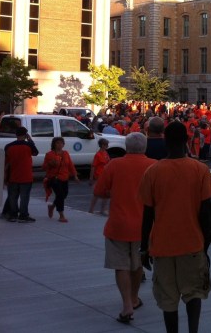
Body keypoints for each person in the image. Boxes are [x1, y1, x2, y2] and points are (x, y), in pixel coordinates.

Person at [139, 121, 211, 333]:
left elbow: (148, 214)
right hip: (192, 246)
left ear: (165, 140)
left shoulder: (152, 172)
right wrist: (205, 247)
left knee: (168, 299)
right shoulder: (200, 170)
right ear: (187, 141)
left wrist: (144, 247)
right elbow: (205, 214)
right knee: (194, 294)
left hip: (162, 247)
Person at [93, 133, 157, 324]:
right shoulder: (154, 166)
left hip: (118, 225)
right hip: (144, 226)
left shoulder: (114, 165)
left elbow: (99, 191)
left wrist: (114, 193)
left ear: (126, 147)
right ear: (144, 147)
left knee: (120, 265)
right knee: (137, 264)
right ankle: (135, 298)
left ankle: (127, 304)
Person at [4, 127, 39, 222]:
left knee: (12, 196)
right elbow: (35, 153)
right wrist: (30, 140)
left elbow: (6, 161)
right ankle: (23, 215)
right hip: (26, 175)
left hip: (13, 175)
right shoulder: (29, 145)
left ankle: (13, 215)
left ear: (16, 134)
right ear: (26, 135)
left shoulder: (8, 146)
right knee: (24, 197)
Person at [43, 137, 80, 223]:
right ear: (54, 144)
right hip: (54, 178)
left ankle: (52, 206)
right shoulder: (49, 154)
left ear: (63, 144)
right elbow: (44, 167)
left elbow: (70, 165)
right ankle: (61, 215)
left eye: (61, 143)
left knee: (64, 195)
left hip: (64, 177)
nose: (59, 145)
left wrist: (75, 176)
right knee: (60, 195)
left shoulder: (65, 153)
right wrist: (50, 164)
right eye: (57, 143)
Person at [88, 138, 110, 215]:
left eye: (107, 145)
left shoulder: (106, 153)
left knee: (106, 194)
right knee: (96, 193)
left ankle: (103, 209)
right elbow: (93, 166)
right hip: (99, 176)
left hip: (105, 175)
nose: (107, 146)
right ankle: (91, 209)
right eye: (105, 145)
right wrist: (91, 178)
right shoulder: (98, 155)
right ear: (101, 145)